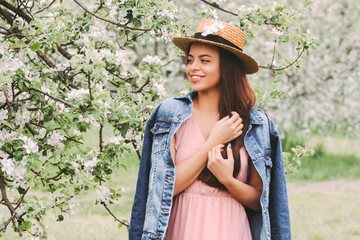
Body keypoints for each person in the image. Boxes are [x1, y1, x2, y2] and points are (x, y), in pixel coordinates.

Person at [129, 19, 291, 240]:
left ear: (227, 68)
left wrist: (228, 180)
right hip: (180, 227)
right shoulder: (170, 115)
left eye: (204, 61)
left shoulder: (255, 124)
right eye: (190, 60)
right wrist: (212, 142)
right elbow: (164, 188)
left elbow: (260, 200)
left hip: (231, 229)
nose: (193, 68)